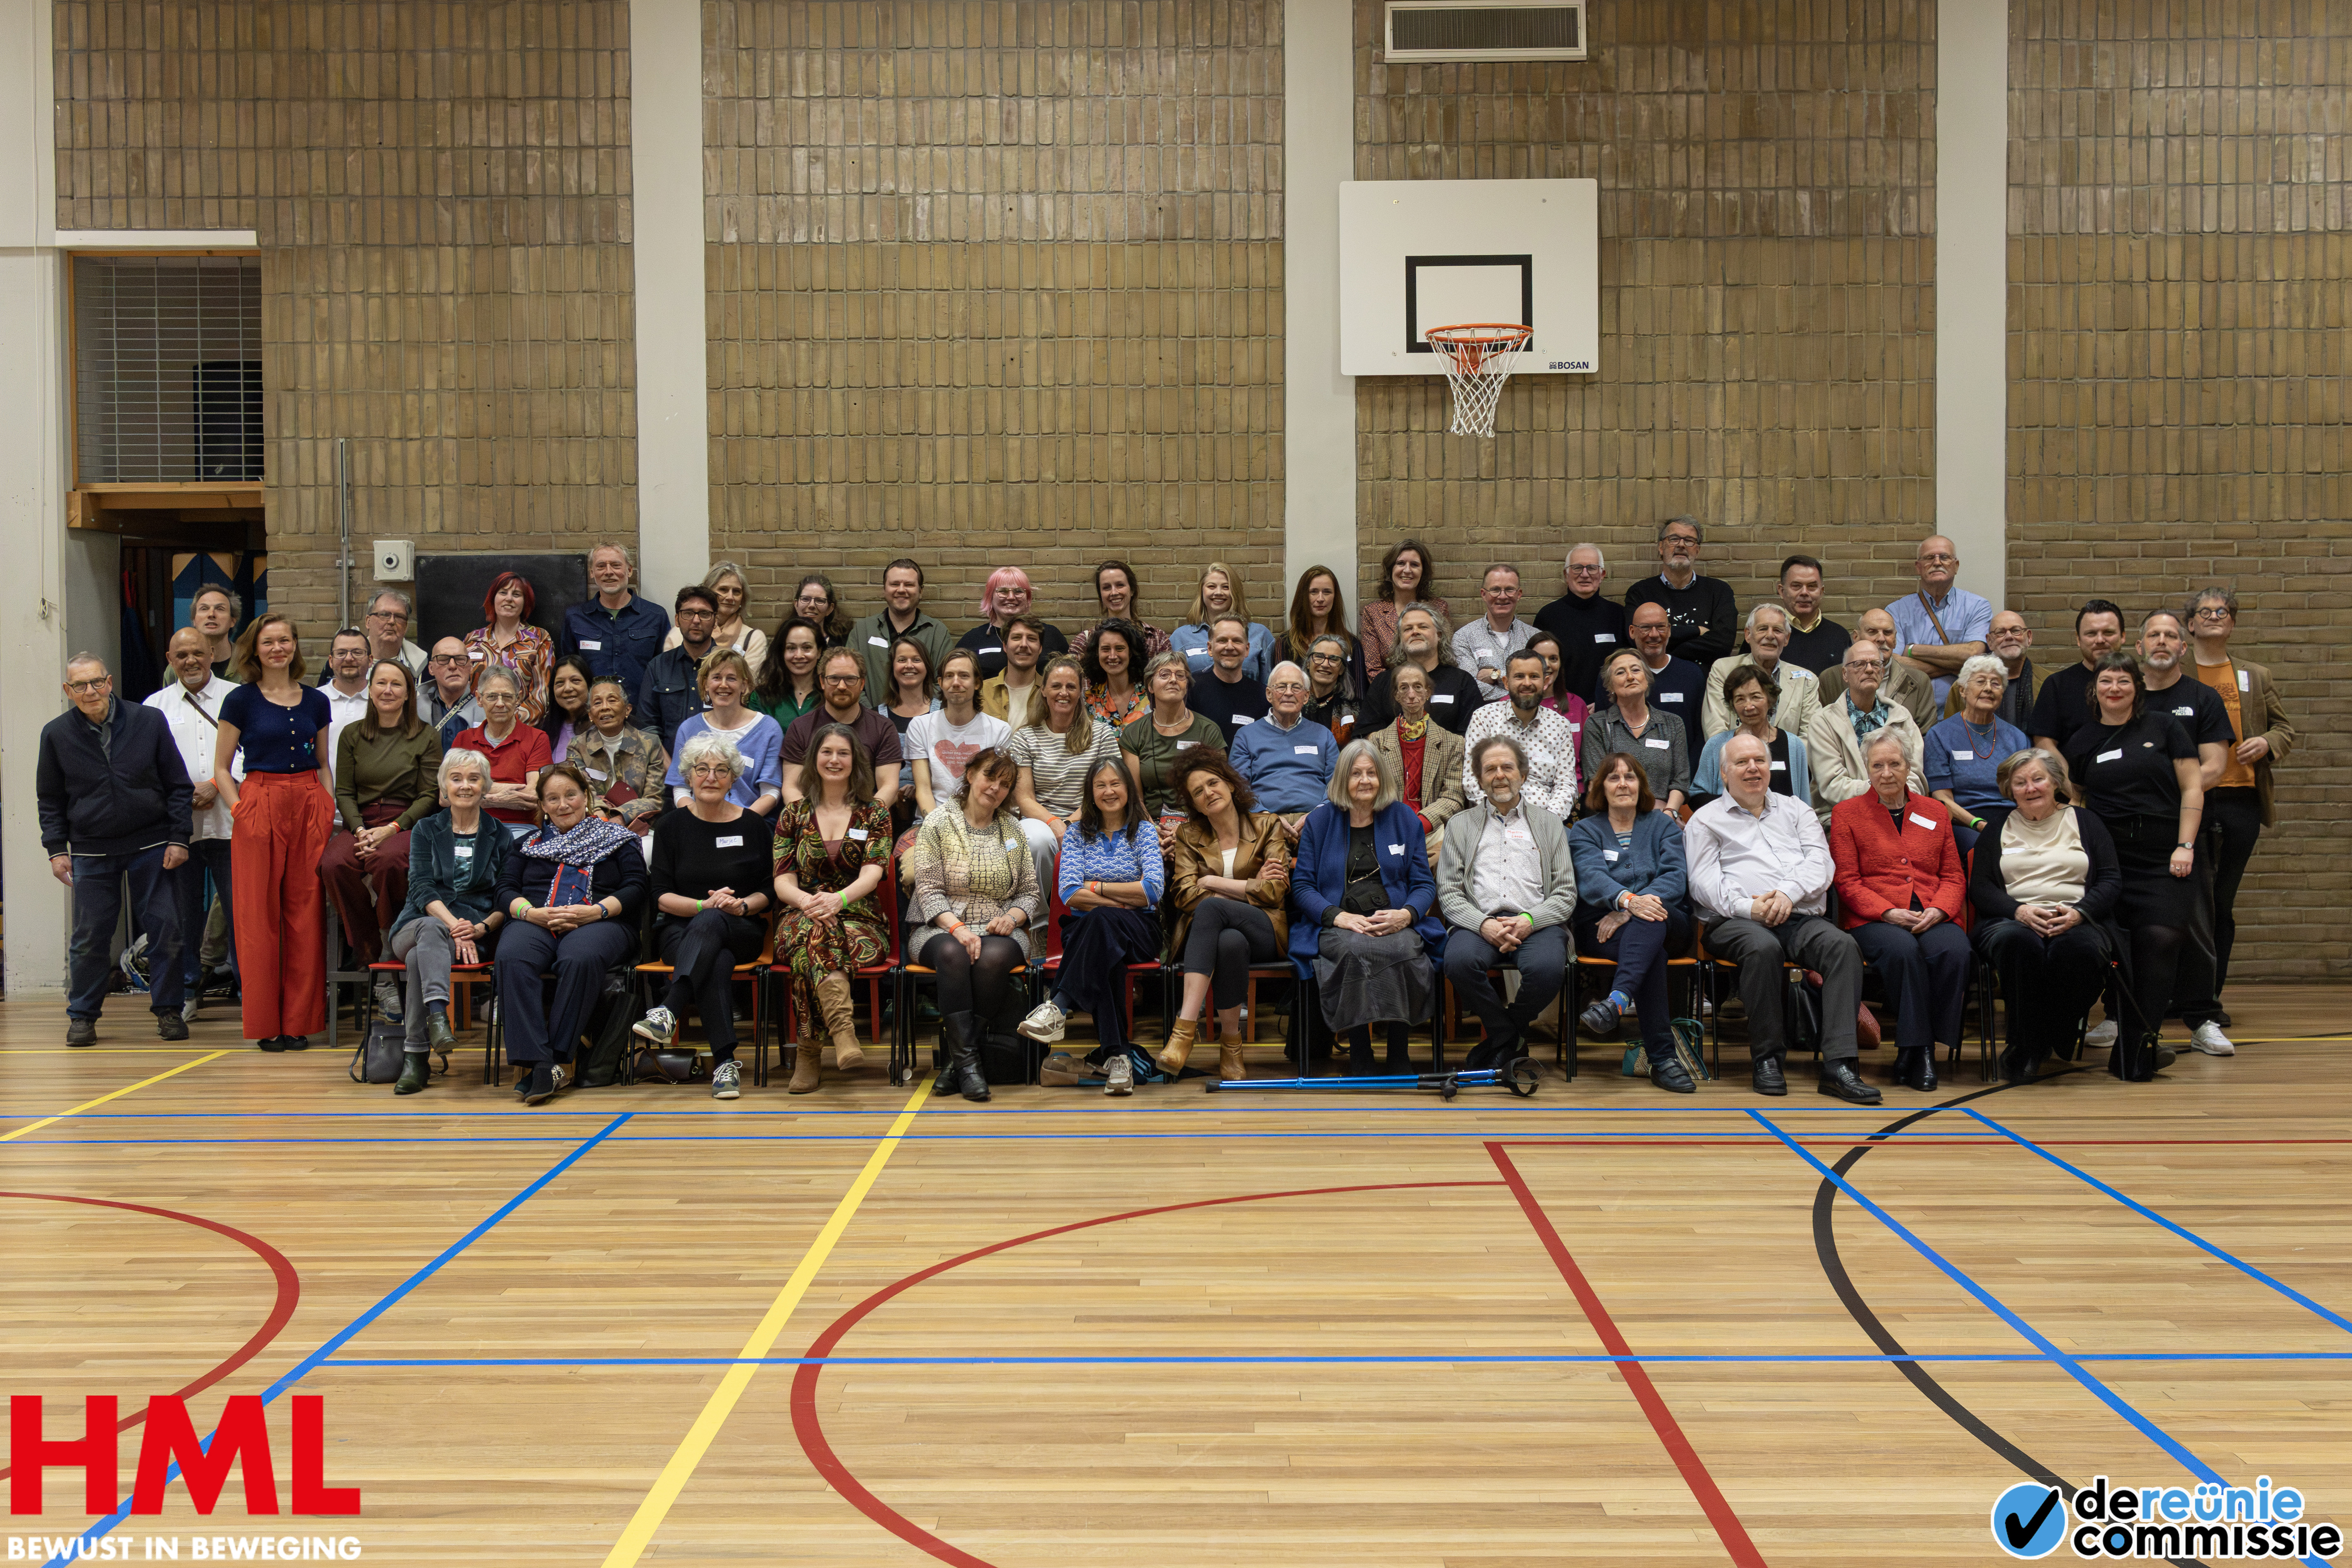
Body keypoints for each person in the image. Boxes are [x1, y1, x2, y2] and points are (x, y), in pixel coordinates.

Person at [1685, 733, 1879, 1104]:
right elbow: (1704, 883)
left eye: (1760, 760)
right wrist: (1750, 908)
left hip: (1798, 916)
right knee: (1762, 948)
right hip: (1734, 921)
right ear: (1724, 774)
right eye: (1742, 763)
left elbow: (1821, 863)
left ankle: (1840, 1066)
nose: (1753, 768)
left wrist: (1787, 894)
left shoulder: (1797, 810)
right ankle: (1768, 1060)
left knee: (1842, 946)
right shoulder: (1705, 821)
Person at [2062, 653, 2206, 1077]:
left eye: (2124, 681)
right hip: (2111, 859)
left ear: (2136, 688)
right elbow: (2074, 801)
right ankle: (2134, 1047)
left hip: (2165, 855)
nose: (2114, 689)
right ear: (2095, 690)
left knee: (2160, 940)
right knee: (2121, 952)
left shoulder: (2165, 728)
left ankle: (2141, 1040)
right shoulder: (2083, 740)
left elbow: (2192, 785)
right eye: (2106, 681)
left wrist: (2186, 844)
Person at [40, 653, 193, 1045]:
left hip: (153, 844)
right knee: (90, 937)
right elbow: (50, 799)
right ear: (68, 691)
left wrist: (179, 837)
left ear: (109, 682)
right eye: (80, 686)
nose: (90, 692)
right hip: (91, 850)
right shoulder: (55, 734)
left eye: (96, 683)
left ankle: (168, 1010)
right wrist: (57, 850)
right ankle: (83, 1017)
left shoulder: (148, 721)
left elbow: (178, 784)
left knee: (166, 930)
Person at [214, 613, 337, 1050]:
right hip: (258, 802)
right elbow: (222, 769)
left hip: (307, 802)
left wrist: (327, 807)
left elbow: (322, 762)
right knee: (257, 917)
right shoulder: (240, 701)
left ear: (295, 646)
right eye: (269, 642)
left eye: (285, 640)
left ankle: (300, 1022)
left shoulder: (316, 702)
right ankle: (267, 1023)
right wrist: (240, 809)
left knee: (305, 915)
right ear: (255, 649)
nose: (278, 648)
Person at [633, 733, 778, 1101]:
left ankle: (670, 1008)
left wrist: (741, 905)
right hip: (680, 930)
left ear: (733, 779)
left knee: (716, 926)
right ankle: (725, 1064)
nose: (711, 777)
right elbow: (660, 895)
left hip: (742, 926)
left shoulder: (753, 826)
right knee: (715, 956)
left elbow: (770, 889)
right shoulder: (670, 827)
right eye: (702, 769)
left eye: (721, 770)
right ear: (689, 776)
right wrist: (703, 906)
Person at [493, 765, 648, 1105]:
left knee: (580, 957)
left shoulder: (619, 840)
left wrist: (596, 911)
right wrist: (531, 913)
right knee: (511, 956)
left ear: (586, 796)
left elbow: (637, 887)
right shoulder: (527, 844)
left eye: (571, 795)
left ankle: (558, 1057)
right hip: (536, 920)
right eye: (553, 799)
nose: (564, 805)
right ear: (543, 805)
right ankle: (542, 1062)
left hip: (600, 921)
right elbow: (505, 890)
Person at [1969, 748, 2120, 1082]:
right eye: (2020, 783)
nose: (2030, 788)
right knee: (2019, 944)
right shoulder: (1998, 828)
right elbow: (1980, 887)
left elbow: (2111, 879)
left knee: (2081, 950)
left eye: (2038, 779)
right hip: (2012, 920)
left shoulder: (2085, 821)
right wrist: (2018, 911)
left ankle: (2051, 1033)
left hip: (2076, 916)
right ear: (2010, 790)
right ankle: (2028, 1043)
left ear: (2055, 783)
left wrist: (2080, 913)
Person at [1291, 741, 1442, 1076]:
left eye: (1372, 773)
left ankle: (1398, 1051)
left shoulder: (1404, 818)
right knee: (1355, 951)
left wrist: (1406, 915)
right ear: (1342, 779)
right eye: (1356, 773)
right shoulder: (1320, 822)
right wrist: (1338, 917)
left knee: (1403, 948)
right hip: (1338, 923)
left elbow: (1423, 883)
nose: (1365, 781)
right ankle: (1360, 1050)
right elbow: (1302, 887)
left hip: (1395, 920)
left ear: (1382, 778)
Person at [1831, 731, 1969, 1091]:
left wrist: (1940, 909)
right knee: (1904, 951)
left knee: (1955, 951)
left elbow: (1953, 875)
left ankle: (1916, 1049)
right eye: (1878, 765)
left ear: (1909, 766)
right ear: (1867, 769)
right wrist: (1887, 912)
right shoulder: (1847, 813)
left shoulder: (1935, 811)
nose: (1887, 772)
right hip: (1874, 916)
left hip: (1931, 909)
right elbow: (1847, 881)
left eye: (1895, 764)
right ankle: (1920, 1050)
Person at [1017, 760, 1166, 1093]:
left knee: (1101, 925)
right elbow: (1070, 893)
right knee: (1105, 943)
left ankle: (1058, 1007)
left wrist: (1096, 888)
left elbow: (1153, 890)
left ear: (1128, 789)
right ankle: (1119, 1060)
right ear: (1091, 793)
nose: (1109, 791)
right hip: (1091, 929)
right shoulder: (1076, 834)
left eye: (1116, 784)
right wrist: (1125, 901)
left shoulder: (1144, 831)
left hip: (1139, 930)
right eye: (1101, 785)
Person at [905, 746, 1043, 1102]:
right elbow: (929, 891)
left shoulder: (1012, 828)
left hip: (998, 927)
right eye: (989, 777)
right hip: (940, 925)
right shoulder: (938, 822)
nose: (995, 788)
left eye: (1004, 784)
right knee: (954, 953)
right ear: (970, 776)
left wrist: (1012, 918)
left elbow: (1030, 893)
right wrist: (959, 928)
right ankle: (968, 1063)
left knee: (993, 958)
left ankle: (959, 1062)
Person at [1438, 734, 1577, 1074]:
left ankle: (1502, 1035)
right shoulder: (1459, 825)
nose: (1499, 775)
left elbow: (1565, 892)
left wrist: (1530, 919)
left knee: (1547, 969)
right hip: (1478, 922)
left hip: (1536, 923)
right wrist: (1483, 924)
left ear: (1523, 775)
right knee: (1457, 962)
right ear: (1479, 779)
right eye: (1490, 769)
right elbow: (1449, 892)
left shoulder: (1549, 824)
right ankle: (1510, 1038)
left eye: (1507, 767)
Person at [2185, 585, 2292, 1011]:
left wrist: (2267, 743)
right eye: (2205, 611)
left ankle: (2209, 997)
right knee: (2186, 903)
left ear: (2233, 622)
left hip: (2241, 800)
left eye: (2224, 611)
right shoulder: (2175, 672)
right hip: (2189, 800)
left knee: (2221, 903)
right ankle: (2176, 993)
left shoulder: (2255, 674)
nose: (2215, 616)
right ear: (2190, 624)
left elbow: (2285, 728)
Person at [772, 724, 892, 1092]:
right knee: (817, 930)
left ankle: (810, 1051)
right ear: (814, 759)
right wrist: (810, 902)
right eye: (827, 753)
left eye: (843, 753)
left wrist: (837, 901)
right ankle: (842, 1031)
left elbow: (873, 875)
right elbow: (782, 881)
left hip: (861, 919)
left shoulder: (875, 813)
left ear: (855, 761)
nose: (834, 760)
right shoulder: (793, 814)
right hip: (800, 913)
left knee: (817, 941)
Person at [383, 749, 512, 1092]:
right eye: (456, 779)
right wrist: (456, 925)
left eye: (474, 779)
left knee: (417, 960)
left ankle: (416, 1057)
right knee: (430, 929)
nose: (465, 786)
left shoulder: (501, 835)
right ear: (444, 787)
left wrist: (482, 927)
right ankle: (439, 1017)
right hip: (416, 924)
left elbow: (507, 896)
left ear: (486, 787)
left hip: (473, 933)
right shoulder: (426, 829)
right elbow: (421, 888)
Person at [1157, 751, 1290, 1080]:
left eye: (1213, 783)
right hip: (1215, 934)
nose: (1208, 793)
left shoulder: (1267, 825)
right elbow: (1184, 894)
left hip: (1264, 929)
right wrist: (1249, 886)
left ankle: (1184, 1031)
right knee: (1229, 941)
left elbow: (1275, 891)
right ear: (1195, 804)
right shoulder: (1189, 835)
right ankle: (1232, 1046)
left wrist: (1214, 882)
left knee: (1212, 906)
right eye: (1198, 792)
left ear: (1230, 785)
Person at [1567, 753, 1695, 1088]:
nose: (1623, 783)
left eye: (1630, 777)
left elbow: (1675, 877)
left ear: (1641, 785)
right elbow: (1591, 878)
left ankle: (1618, 999)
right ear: (1600, 788)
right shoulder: (1584, 830)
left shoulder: (1663, 825)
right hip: (1601, 927)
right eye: (1614, 778)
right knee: (1652, 952)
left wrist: (1629, 909)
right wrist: (1629, 902)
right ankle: (1663, 1060)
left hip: (1668, 919)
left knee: (1651, 920)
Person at [323, 659, 442, 991]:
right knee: (333, 864)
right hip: (361, 822)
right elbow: (344, 791)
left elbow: (430, 794)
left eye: (396, 685)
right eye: (381, 684)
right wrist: (360, 830)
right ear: (370, 690)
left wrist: (392, 829)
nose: (388, 690)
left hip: (405, 823)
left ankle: (393, 948)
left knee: (388, 861)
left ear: (408, 694)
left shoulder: (425, 736)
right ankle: (367, 950)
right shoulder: (352, 734)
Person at [144, 628, 239, 1020]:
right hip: (179, 831)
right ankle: (185, 991)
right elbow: (147, 767)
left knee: (240, 911)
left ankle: (249, 989)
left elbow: (254, 753)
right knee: (181, 915)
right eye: (181, 655)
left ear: (213, 652)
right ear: (170, 659)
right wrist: (185, 797)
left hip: (232, 823)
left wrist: (218, 785)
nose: (191, 661)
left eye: (198, 653)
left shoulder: (237, 697)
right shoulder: (155, 706)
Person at [1009, 653, 1123, 889]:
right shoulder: (1025, 737)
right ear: (1043, 690)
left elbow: (1110, 790)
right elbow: (1024, 797)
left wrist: (1070, 824)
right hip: (1040, 821)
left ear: (1080, 692)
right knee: (1037, 840)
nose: (1064, 693)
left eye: (1071, 687)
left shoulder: (1101, 735)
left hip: (1093, 817)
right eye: (1056, 686)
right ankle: (1040, 920)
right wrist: (1054, 823)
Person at [1806, 642, 1925, 825]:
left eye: (1876, 664)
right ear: (1845, 674)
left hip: (1901, 813)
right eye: (1859, 664)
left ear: (1882, 672)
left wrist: (1892, 801)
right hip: (1845, 817)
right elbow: (1833, 785)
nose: (1869, 670)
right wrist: (1887, 792)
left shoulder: (1901, 716)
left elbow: (1915, 776)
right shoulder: (1823, 722)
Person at [1924, 653, 2028, 852]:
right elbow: (1942, 798)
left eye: (1996, 684)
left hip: (2012, 820)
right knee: (1985, 850)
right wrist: (1979, 824)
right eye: (1980, 682)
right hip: (1964, 822)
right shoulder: (1940, 735)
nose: (1988, 688)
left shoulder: (2017, 738)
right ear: (1963, 690)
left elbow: (2024, 792)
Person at [1463, 648, 1583, 818]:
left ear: (1545, 682)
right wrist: (1496, 817)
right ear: (1506, 682)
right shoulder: (1484, 718)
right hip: (1492, 819)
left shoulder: (1560, 725)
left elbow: (1566, 784)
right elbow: (1471, 778)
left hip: (1545, 821)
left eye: (1534, 676)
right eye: (1519, 676)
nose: (1527, 683)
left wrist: (1548, 823)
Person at [1365, 660, 1466, 863]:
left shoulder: (1453, 743)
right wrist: (1397, 823)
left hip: (1433, 827)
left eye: (1418, 687)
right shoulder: (1376, 742)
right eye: (1404, 688)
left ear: (1428, 692)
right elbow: (1372, 793)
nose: (1411, 694)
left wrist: (1419, 823)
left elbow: (1454, 798)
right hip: (1388, 824)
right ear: (1396, 695)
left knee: (1440, 866)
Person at [666, 649, 786, 817]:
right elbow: (681, 788)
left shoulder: (768, 729)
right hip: (699, 821)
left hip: (749, 821)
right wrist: (698, 820)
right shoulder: (689, 729)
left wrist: (740, 822)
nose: (723, 685)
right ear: (706, 684)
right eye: (716, 678)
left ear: (744, 685)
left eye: (731, 678)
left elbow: (770, 791)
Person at [779, 646, 902, 808]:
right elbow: (792, 787)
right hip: (812, 820)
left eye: (850, 679)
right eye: (834, 679)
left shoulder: (883, 728)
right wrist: (811, 821)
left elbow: (889, 788)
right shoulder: (800, 728)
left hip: (864, 822)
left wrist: (863, 819)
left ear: (862, 683)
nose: (842, 686)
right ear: (822, 682)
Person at [1229, 661, 1340, 840]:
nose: (1289, 693)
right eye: (1281, 687)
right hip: (1265, 821)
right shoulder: (1246, 736)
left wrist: (1319, 815)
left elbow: (1337, 783)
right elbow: (1239, 786)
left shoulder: (1323, 735)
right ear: (1269, 694)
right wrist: (1267, 818)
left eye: (1296, 687)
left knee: (1330, 862)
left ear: (1306, 696)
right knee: (1274, 864)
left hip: (1317, 820)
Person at [1121, 650, 1225, 838]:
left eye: (1180, 675)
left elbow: (1220, 792)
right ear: (1150, 686)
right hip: (1148, 827)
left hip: (1201, 826)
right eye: (1164, 674)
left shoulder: (1207, 731)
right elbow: (1136, 799)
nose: (1173, 680)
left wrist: (1188, 830)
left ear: (1187, 686)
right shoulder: (1134, 733)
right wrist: (1154, 832)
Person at [1886, 535, 1992, 708]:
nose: (1937, 562)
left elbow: (1974, 654)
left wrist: (1913, 650)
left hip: (1962, 714)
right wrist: (1958, 665)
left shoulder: (1978, 607)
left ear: (1956, 566)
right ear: (1918, 567)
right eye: (1929, 558)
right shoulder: (1895, 611)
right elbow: (1893, 665)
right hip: (1911, 714)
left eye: (1944, 557)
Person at [1691, 662, 1812, 813]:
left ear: (1770, 699)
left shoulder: (1794, 745)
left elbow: (1804, 802)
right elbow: (1697, 795)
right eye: (1740, 699)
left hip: (1784, 832)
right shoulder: (1717, 745)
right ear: (1733, 705)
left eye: (1756, 697)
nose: (1749, 706)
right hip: (1731, 832)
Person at [1582, 648, 1692, 815]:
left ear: (1647, 679)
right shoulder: (1598, 724)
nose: (1630, 677)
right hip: (1614, 816)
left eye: (1636, 670)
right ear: (1610, 686)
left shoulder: (1673, 723)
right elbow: (1595, 782)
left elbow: (1681, 781)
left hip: (1663, 816)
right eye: (1621, 673)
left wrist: (1669, 814)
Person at [909, 648, 1013, 823]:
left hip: (981, 822)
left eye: (964, 676)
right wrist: (939, 828)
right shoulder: (920, 726)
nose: (956, 682)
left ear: (978, 683)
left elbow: (994, 790)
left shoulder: (999, 730)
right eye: (949, 676)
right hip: (930, 822)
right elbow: (924, 789)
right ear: (941, 683)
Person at [1623, 515, 1736, 667]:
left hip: (1707, 687)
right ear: (1661, 547)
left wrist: (1665, 653)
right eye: (1674, 539)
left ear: (1697, 550)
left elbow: (1724, 644)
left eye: (1689, 540)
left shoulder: (1719, 592)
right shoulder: (1640, 593)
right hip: (1656, 684)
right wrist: (1697, 631)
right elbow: (1636, 639)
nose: (1681, 545)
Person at [454, 666, 553, 839]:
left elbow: (533, 795)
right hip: (469, 825)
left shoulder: (537, 738)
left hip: (520, 828)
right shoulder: (464, 739)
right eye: (492, 697)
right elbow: (445, 796)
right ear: (479, 699)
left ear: (519, 698)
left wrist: (473, 792)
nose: (500, 703)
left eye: (507, 697)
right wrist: (498, 798)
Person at [559, 541, 672, 693]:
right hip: (592, 711)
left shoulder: (656, 616)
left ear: (630, 570)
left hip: (642, 712)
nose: (608, 572)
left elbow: (667, 670)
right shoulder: (576, 618)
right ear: (592, 572)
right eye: (601, 566)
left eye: (616, 565)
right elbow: (567, 670)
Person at [1359, 603, 1483, 736]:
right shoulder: (1384, 682)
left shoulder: (1462, 682)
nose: (1415, 632)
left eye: (1423, 627)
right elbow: (1367, 732)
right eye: (1408, 629)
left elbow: (1473, 735)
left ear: (1439, 635)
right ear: (1400, 640)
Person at [1699, 605, 1819, 740]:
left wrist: (1780, 756)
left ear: (1787, 639)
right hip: (1737, 758)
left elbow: (1811, 738)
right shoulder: (1724, 670)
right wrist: (1748, 758)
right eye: (1762, 629)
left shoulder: (1806, 680)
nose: (1770, 635)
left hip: (1787, 759)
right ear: (1748, 635)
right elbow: (1716, 731)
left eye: (1778, 630)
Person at [2027, 598, 2127, 759]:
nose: (2100, 640)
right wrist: (2068, 782)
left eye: (2108, 632)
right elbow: (2044, 743)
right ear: (2079, 639)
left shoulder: (2139, 685)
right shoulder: (2057, 685)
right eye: (2091, 634)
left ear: (2123, 636)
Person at [569, 677, 669, 835]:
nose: (605, 708)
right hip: (593, 823)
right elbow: (584, 792)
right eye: (597, 703)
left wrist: (620, 817)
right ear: (590, 715)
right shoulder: (578, 746)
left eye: (612, 700)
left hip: (639, 824)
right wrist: (601, 816)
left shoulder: (650, 743)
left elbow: (654, 799)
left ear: (627, 710)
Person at [1613, 601, 1707, 765]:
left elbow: (1700, 733)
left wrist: (1685, 781)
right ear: (1632, 632)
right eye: (1646, 628)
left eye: (1661, 627)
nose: (1654, 634)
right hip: (1628, 776)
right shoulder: (1614, 677)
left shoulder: (1692, 674)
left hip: (1682, 777)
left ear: (1670, 630)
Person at [1532, 542, 1630, 702]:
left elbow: (1628, 666)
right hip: (1562, 709)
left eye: (1592, 568)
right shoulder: (1548, 616)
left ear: (1603, 574)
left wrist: (1605, 703)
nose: (1585, 574)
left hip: (1610, 708)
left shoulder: (1618, 615)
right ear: (1566, 575)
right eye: (1577, 568)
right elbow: (1539, 668)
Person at [1819, 607, 1938, 731]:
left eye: (1888, 633)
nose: (1881, 639)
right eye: (1872, 632)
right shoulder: (1830, 679)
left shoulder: (1918, 681)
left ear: (1895, 640)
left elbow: (1926, 736)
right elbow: (1823, 730)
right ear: (1856, 638)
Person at [849, 557, 953, 697]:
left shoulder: (937, 633)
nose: (901, 590)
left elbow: (944, 683)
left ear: (921, 591)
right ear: (884, 590)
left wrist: (919, 716)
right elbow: (850, 679)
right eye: (895, 584)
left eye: (909, 585)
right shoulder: (862, 631)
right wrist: (873, 717)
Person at [464, 570, 555, 724]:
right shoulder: (472, 639)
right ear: (493, 598)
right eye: (503, 593)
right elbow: (463, 688)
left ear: (525, 602)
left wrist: (510, 725)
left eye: (517, 594)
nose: (509, 599)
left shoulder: (539, 638)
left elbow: (542, 693)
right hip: (475, 726)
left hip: (521, 729)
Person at [638, 585, 721, 752]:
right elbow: (648, 729)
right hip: (666, 769)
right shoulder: (658, 666)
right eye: (688, 613)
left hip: (719, 770)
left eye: (704, 614)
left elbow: (741, 724)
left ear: (715, 621)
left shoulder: (730, 668)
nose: (696, 621)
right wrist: (671, 769)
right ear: (677, 620)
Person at [661, 559, 768, 677]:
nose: (730, 597)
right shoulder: (677, 635)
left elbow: (750, 685)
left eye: (737, 592)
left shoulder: (754, 639)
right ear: (709, 592)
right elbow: (667, 677)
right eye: (723, 590)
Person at [956, 566, 1068, 679]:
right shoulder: (972, 640)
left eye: (1018, 591)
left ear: (1028, 598)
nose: (1011, 597)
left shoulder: (1050, 635)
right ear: (990, 597)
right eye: (1003, 592)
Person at [1173, 561, 1277, 682]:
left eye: (1226, 587)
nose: (1218, 593)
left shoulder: (1260, 635)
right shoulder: (1181, 637)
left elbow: (1271, 687)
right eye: (1211, 587)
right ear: (1202, 591)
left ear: (1235, 592)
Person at [1359, 538, 1446, 681]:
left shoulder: (1439, 609)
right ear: (1390, 570)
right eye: (1401, 564)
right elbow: (1373, 669)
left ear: (1423, 572)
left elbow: (1444, 657)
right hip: (1391, 694)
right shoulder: (1373, 612)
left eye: (1415, 565)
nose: (1407, 570)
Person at [1451, 563, 1537, 703]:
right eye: (1495, 590)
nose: (1502, 596)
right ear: (1484, 594)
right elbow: (1469, 687)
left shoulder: (1534, 638)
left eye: (1510, 590)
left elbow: (1540, 683)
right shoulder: (1464, 638)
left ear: (1519, 594)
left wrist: (1495, 674)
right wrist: (1520, 694)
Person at [880, 633, 942, 824]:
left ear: (927, 668)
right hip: (885, 811)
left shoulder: (944, 715)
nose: (909, 666)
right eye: (902, 660)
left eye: (917, 660)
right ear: (893, 668)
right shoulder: (877, 718)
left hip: (934, 809)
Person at [1187, 614, 1273, 741]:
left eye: (1237, 641)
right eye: (1222, 641)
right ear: (1210, 648)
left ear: (1247, 649)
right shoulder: (1191, 690)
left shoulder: (1263, 696)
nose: (1229, 647)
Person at [1278, 565, 1364, 690]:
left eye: (1327, 592)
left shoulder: (1352, 644)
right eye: (1313, 592)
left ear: (1335, 597)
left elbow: (1359, 695)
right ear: (1303, 596)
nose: (1320, 599)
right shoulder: (1285, 642)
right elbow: (1280, 691)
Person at [1946, 610, 2035, 727]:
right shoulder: (1963, 686)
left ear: (2029, 638)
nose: (2009, 637)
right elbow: (1950, 731)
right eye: (2000, 633)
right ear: (1989, 642)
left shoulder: (2048, 683)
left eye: (2016, 631)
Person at [1073, 559, 1170, 661]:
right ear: (1100, 595)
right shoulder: (1084, 642)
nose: (1114, 592)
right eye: (1107, 588)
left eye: (1120, 585)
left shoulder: (1157, 639)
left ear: (1132, 590)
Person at [1776, 555, 1850, 675]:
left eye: (1812, 586)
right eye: (1797, 586)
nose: (1804, 593)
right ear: (1781, 591)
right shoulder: (1765, 636)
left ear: (1821, 592)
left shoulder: (1840, 637)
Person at [749, 615, 825, 724]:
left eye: (807, 648)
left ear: (819, 652)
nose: (799, 655)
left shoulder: (830, 694)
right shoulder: (761, 698)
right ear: (782, 652)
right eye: (791, 648)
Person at [978, 615, 1049, 730]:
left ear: (1040, 648)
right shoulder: (981, 693)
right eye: (1017, 638)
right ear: (1005, 646)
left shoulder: (1050, 694)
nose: (1024, 645)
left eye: (1031, 639)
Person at [1081, 619, 1148, 728]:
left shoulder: (1151, 695)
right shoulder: (1089, 701)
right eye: (1106, 649)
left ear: (1131, 652)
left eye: (1120, 649)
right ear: (1097, 653)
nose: (1112, 656)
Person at [316, 626, 374, 747]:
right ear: (331, 661)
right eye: (341, 653)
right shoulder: (313, 700)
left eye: (357, 653)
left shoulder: (383, 699)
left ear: (370, 660)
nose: (349, 659)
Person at [1300, 632, 1361, 744]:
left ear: (1342, 669)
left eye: (1333, 659)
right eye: (1319, 656)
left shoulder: (1357, 708)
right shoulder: (1294, 702)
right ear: (1308, 664)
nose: (1325, 664)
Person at [421, 636, 484, 746]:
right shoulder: (415, 708)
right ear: (431, 668)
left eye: (460, 659)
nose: (453, 666)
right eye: (443, 659)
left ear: (470, 666)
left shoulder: (486, 709)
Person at [536, 654, 595, 762]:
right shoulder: (547, 729)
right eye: (560, 683)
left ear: (589, 685)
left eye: (575, 681)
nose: (568, 688)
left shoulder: (602, 726)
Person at [363, 589, 427, 681]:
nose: (392, 621)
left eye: (399, 617)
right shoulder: (349, 663)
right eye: (384, 615)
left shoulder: (425, 669)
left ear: (406, 626)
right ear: (368, 622)